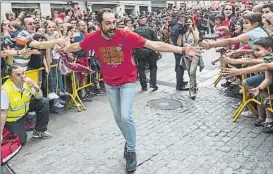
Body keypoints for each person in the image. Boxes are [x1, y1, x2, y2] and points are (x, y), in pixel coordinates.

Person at [63, 8, 200, 172]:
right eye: (108, 23)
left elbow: (154, 44)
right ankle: (129, 143)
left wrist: (183, 50)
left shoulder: (125, 35)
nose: (113, 26)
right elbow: (78, 46)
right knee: (118, 118)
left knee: (125, 116)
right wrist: (63, 48)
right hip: (109, 83)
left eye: (114, 22)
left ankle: (131, 150)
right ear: (99, 25)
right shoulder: (93, 37)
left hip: (127, 80)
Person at [1, 65, 53, 145]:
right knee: (22, 141)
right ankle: (8, 129)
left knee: (44, 102)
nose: (22, 76)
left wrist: (35, 85)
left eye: (23, 73)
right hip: (12, 118)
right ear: (11, 78)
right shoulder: (5, 90)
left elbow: (39, 96)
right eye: (18, 75)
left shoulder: (27, 82)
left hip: (24, 110)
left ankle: (40, 131)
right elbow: (3, 113)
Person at [134, 15, 159, 91]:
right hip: (150, 52)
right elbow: (156, 41)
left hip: (139, 52)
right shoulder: (150, 29)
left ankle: (143, 86)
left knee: (141, 69)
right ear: (146, 22)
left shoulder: (135, 30)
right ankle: (153, 83)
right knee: (153, 67)